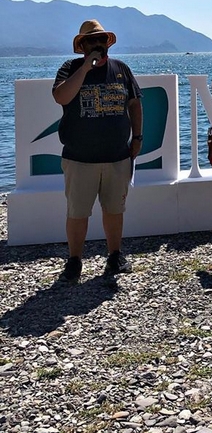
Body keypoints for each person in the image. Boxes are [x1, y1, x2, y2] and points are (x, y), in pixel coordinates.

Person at [52, 20, 143, 283]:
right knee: (78, 212)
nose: (98, 44)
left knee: (114, 209)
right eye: (91, 41)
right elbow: (61, 97)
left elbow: (134, 103)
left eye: (101, 40)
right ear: (82, 46)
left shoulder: (121, 69)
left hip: (117, 156)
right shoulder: (70, 68)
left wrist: (137, 137)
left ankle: (115, 255)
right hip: (79, 158)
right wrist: (85, 69)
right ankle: (74, 261)